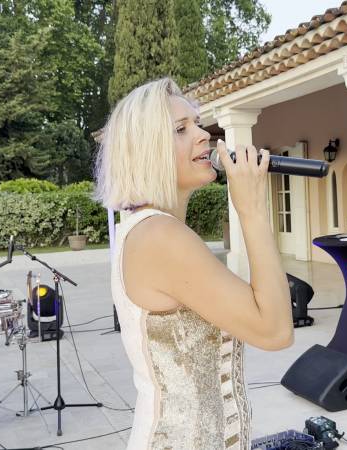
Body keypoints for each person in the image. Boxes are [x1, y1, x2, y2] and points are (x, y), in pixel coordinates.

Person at [96, 78, 293, 449]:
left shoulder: (151, 228)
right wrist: (251, 209)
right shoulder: (160, 237)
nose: (205, 135)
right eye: (181, 129)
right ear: (146, 150)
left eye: (198, 123)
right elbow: (276, 329)